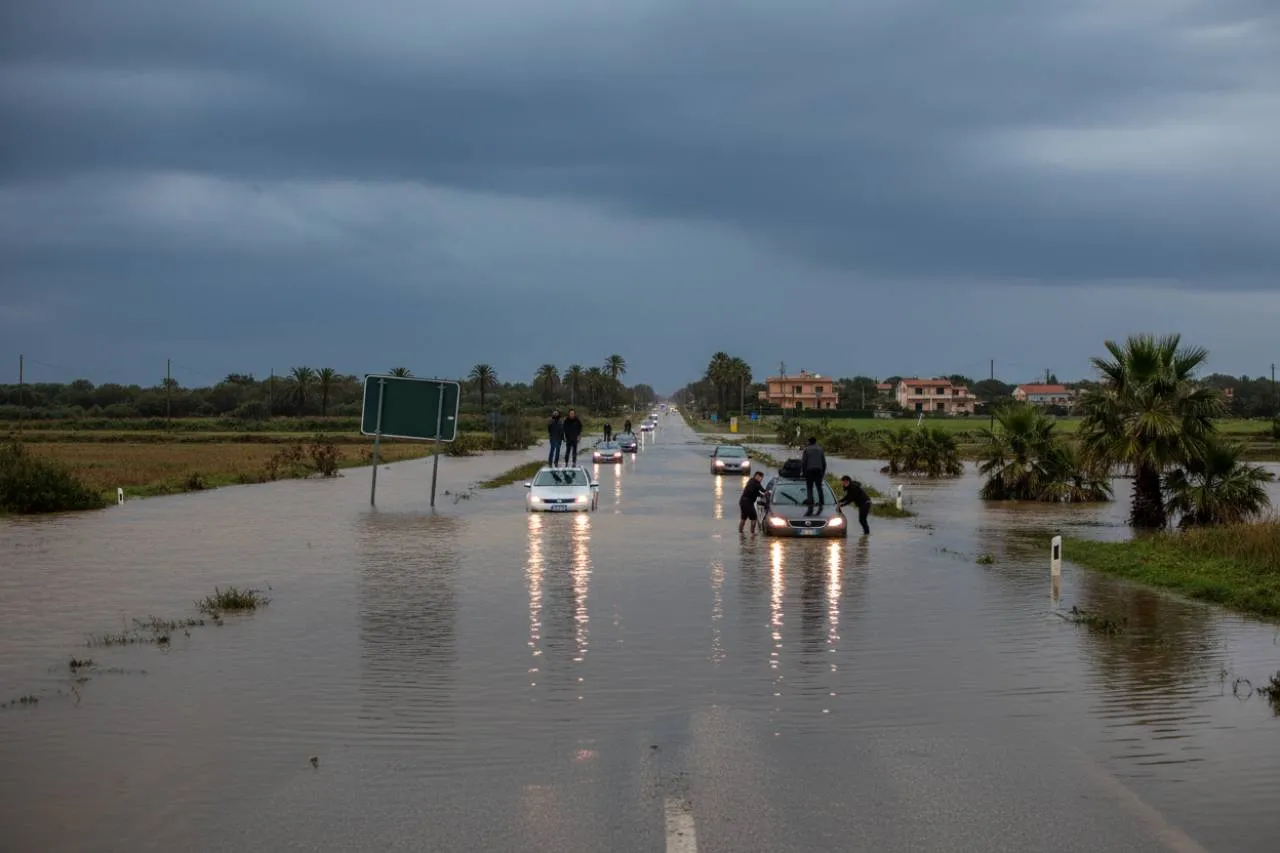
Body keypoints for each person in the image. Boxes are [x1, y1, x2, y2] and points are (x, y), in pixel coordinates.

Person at [801, 436, 827, 506]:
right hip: (819, 471)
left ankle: (810, 500)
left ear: (809, 442)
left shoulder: (806, 449)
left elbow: (804, 462)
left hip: (809, 471)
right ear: (815, 442)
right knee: (819, 487)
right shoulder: (820, 449)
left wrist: (803, 472)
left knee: (809, 487)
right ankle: (821, 502)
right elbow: (824, 463)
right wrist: (822, 473)